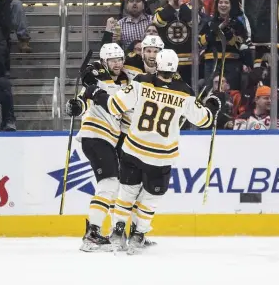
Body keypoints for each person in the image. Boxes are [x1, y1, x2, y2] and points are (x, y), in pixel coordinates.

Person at [80, 49, 219, 254]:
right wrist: (212, 107)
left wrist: (94, 91)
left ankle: (118, 230)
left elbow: (115, 105)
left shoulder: (141, 81)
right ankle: (139, 234)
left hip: (133, 148)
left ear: (157, 65)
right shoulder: (185, 91)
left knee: (126, 192)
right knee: (151, 198)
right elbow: (203, 120)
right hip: (160, 155)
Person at [64, 43, 129, 252]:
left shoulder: (125, 82)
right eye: (112, 60)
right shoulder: (97, 78)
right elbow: (83, 101)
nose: (117, 63)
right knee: (109, 182)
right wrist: (75, 106)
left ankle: (103, 231)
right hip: (94, 135)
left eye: (119, 59)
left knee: (113, 185)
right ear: (104, 62)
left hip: (108, 139)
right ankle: (93, 232)